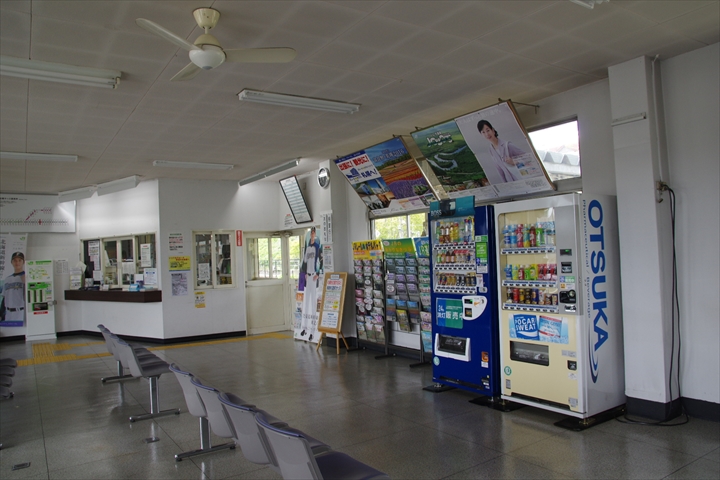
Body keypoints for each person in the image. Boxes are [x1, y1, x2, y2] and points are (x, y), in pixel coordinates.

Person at [299, 227, 321, 340]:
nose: (312, 235)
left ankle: (312, 331)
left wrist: (318, 273)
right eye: (311, 233)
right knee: (306, 303)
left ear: (315, 234)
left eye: (313, 233)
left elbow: (320, 261)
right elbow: (304, 261)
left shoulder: (317, 247)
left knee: (313, 303)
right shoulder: (307, 248)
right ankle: (304, 328)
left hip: (314, 277)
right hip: (308, 276)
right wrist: (304, 273)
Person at [0, 252, 26, 323]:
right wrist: (1, 313)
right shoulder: (7, 279)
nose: (17, 262)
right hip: (8, 313)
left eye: (19, 260)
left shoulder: (26, 277)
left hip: (20, 312)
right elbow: (4, 298)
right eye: (15, 260)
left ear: (23, 262)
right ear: (11, 262)